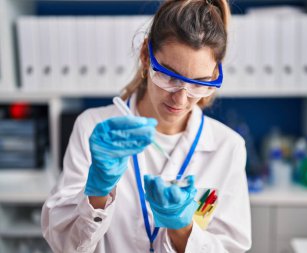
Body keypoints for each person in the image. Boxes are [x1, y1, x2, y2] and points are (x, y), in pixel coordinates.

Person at [41, 0, 251, 252]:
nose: (181, 98)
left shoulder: (228, 147)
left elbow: (231, 248)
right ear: (145, 56)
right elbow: (63, 244)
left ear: (215, 75)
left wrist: (182, 230)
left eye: (199, 83)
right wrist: (97, 193)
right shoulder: (94, 128)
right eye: (170, 76)